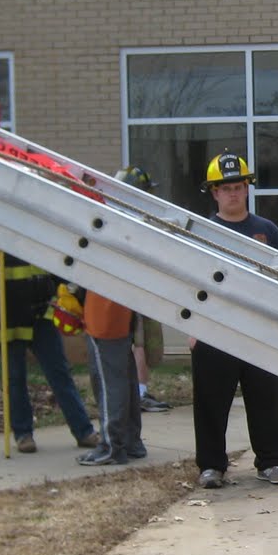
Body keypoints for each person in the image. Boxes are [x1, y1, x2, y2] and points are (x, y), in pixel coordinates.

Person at [189, 151, 278, 488]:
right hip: (214, 331)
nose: (233, 193)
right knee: (210, 401)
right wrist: (193, 327)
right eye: (225, 188)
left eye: (238, 186)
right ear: (214, 192)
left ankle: (272, 462)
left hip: (260, 332)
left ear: (247, 188)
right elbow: (190, 282)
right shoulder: (204, 232)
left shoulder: (267, 231)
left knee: (268, 399)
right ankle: (211, 466)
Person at [0, 242, 99, 455]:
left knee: (59, 372)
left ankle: (84, 431)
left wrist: (67, 290)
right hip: (8, 317)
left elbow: (56, 268)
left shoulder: (36, 227)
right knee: (15, 377)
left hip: (41, 313)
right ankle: (23, 434)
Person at [117, 166, 171, 413]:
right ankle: (139, 394)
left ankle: (137, 392)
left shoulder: (120, 213)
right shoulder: (129, 216)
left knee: (139, 343)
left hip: (134, 288)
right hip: (132, 290)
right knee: (138, 343)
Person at [80, 281, 148, 467]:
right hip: (120, 312)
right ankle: (130, 441)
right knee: (124, 382)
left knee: (109, 384)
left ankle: (111, 446)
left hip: (104, 316)